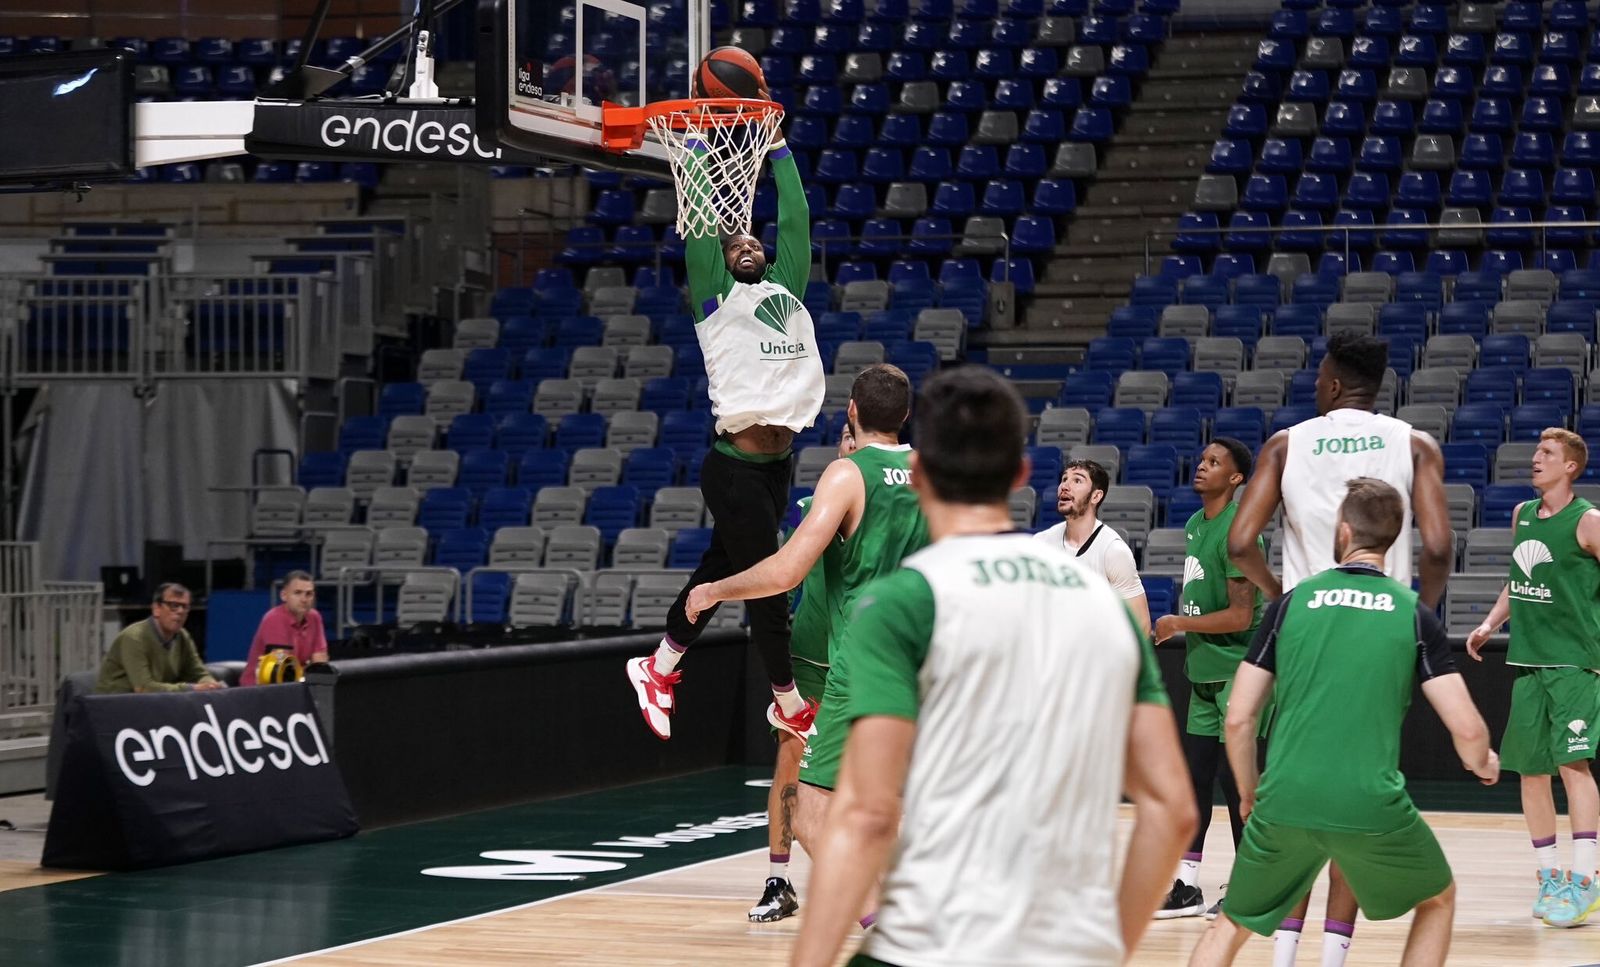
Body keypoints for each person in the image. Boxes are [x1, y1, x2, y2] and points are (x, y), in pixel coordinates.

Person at [790, 367, 1194, 967]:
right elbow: (1174, 809)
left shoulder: (899, 604)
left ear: (920, 474)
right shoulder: (1102, 607)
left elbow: (870, 816)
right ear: (1021, 476)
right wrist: (1109, 946)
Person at [1190, 478, 1499, 967]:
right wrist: (1483, 761)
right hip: (1369, 805)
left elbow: (1239, 717)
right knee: (1437, 900)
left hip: (1284, 799)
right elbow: (1467, 730)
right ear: (1392, 539)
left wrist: (1249, 792)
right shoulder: (1414, 616)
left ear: (1343, 531)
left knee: (1232, 923)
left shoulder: (1291, 603)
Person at [1226, 330, 1452, 966]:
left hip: (1303, 628)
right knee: (1358, 788)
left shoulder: (1286, 442)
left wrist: (1280, 599)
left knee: (1296, 791)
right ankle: (1334, 957)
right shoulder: (1414, 443)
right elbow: (1437, 548)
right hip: (1383, 626)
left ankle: (1284, 954)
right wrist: (1420, 622)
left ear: (1329, 383)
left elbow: (1241, 542)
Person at [682, 365, 927, 928]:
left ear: (852, 412)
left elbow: (788, 571)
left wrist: (714, 589)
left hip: (866, 661)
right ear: (906, 416)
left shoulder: (847, 474)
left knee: (810, 810)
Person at [625, 123, 825, 743]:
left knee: (722, 566)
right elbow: (705, 219)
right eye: (732, 239)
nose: (746, 243)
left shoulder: (786, 287)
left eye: (752, 240)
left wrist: (782, 150)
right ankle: (788, 700)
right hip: (734, 467)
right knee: (769, 578)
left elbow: (796, 219)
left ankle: (658, 666)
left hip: (775, 468)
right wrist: (690, 152)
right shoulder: (714, 297)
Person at [1465, 428, 1600, 928]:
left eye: (1547, 453)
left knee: (1574, 768)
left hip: (1574, 664)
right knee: (1531, 771)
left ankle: (1586, 880)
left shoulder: (1588, 522)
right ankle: (1550, 877)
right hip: (1528, 661)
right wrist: (1489, 623)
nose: (1535, 458)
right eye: (1536, 451)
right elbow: (1519, 577)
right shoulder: (1523, 515)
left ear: (1571, 467)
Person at [1151, 438, 1266, 920]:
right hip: (1203, 670)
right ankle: (1187, 886)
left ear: (1236, 479)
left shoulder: (1242, 533)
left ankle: (1253, 887)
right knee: (1194, 780)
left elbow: (1242, 616)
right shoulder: (1198, 523)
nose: (1202, 466)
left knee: (1236, 784)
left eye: (1214, 463)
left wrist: (1179, 623)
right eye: (1201, 459)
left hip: (1239, 674)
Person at [749, 421, 855, 923]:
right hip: (812, 661)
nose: (852, 449)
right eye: (846, 440)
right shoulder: (808, 509)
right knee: (789, 768)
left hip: (867, 662)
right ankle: (778, 880)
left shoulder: (899, 510)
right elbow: (784, 576)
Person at [1035, 458, 1152, 635]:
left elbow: (1141, 625)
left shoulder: (1113, 551)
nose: (1065, 486)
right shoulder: (1041, 543)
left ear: (1096, 496)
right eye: (1064, 479)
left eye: (1077, 480)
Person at [96, 583, 225, 694]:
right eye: (174, 605)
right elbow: (143, 688)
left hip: (154, 704)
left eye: (185, 607)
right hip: (114, 704)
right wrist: (192, 688)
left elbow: (198, 673)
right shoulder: (134, 638)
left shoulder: (182, 636)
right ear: (156, 609)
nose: (180, 611)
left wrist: (210, 685)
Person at [240, 571, 328, 686]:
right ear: (284, 595)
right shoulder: (274, 618)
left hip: (297, 686)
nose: (304, 599)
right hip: (259, 689)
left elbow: (320, 660)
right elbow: (283, 670)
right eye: (297, 593)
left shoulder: (314, 617)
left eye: (309, 594)